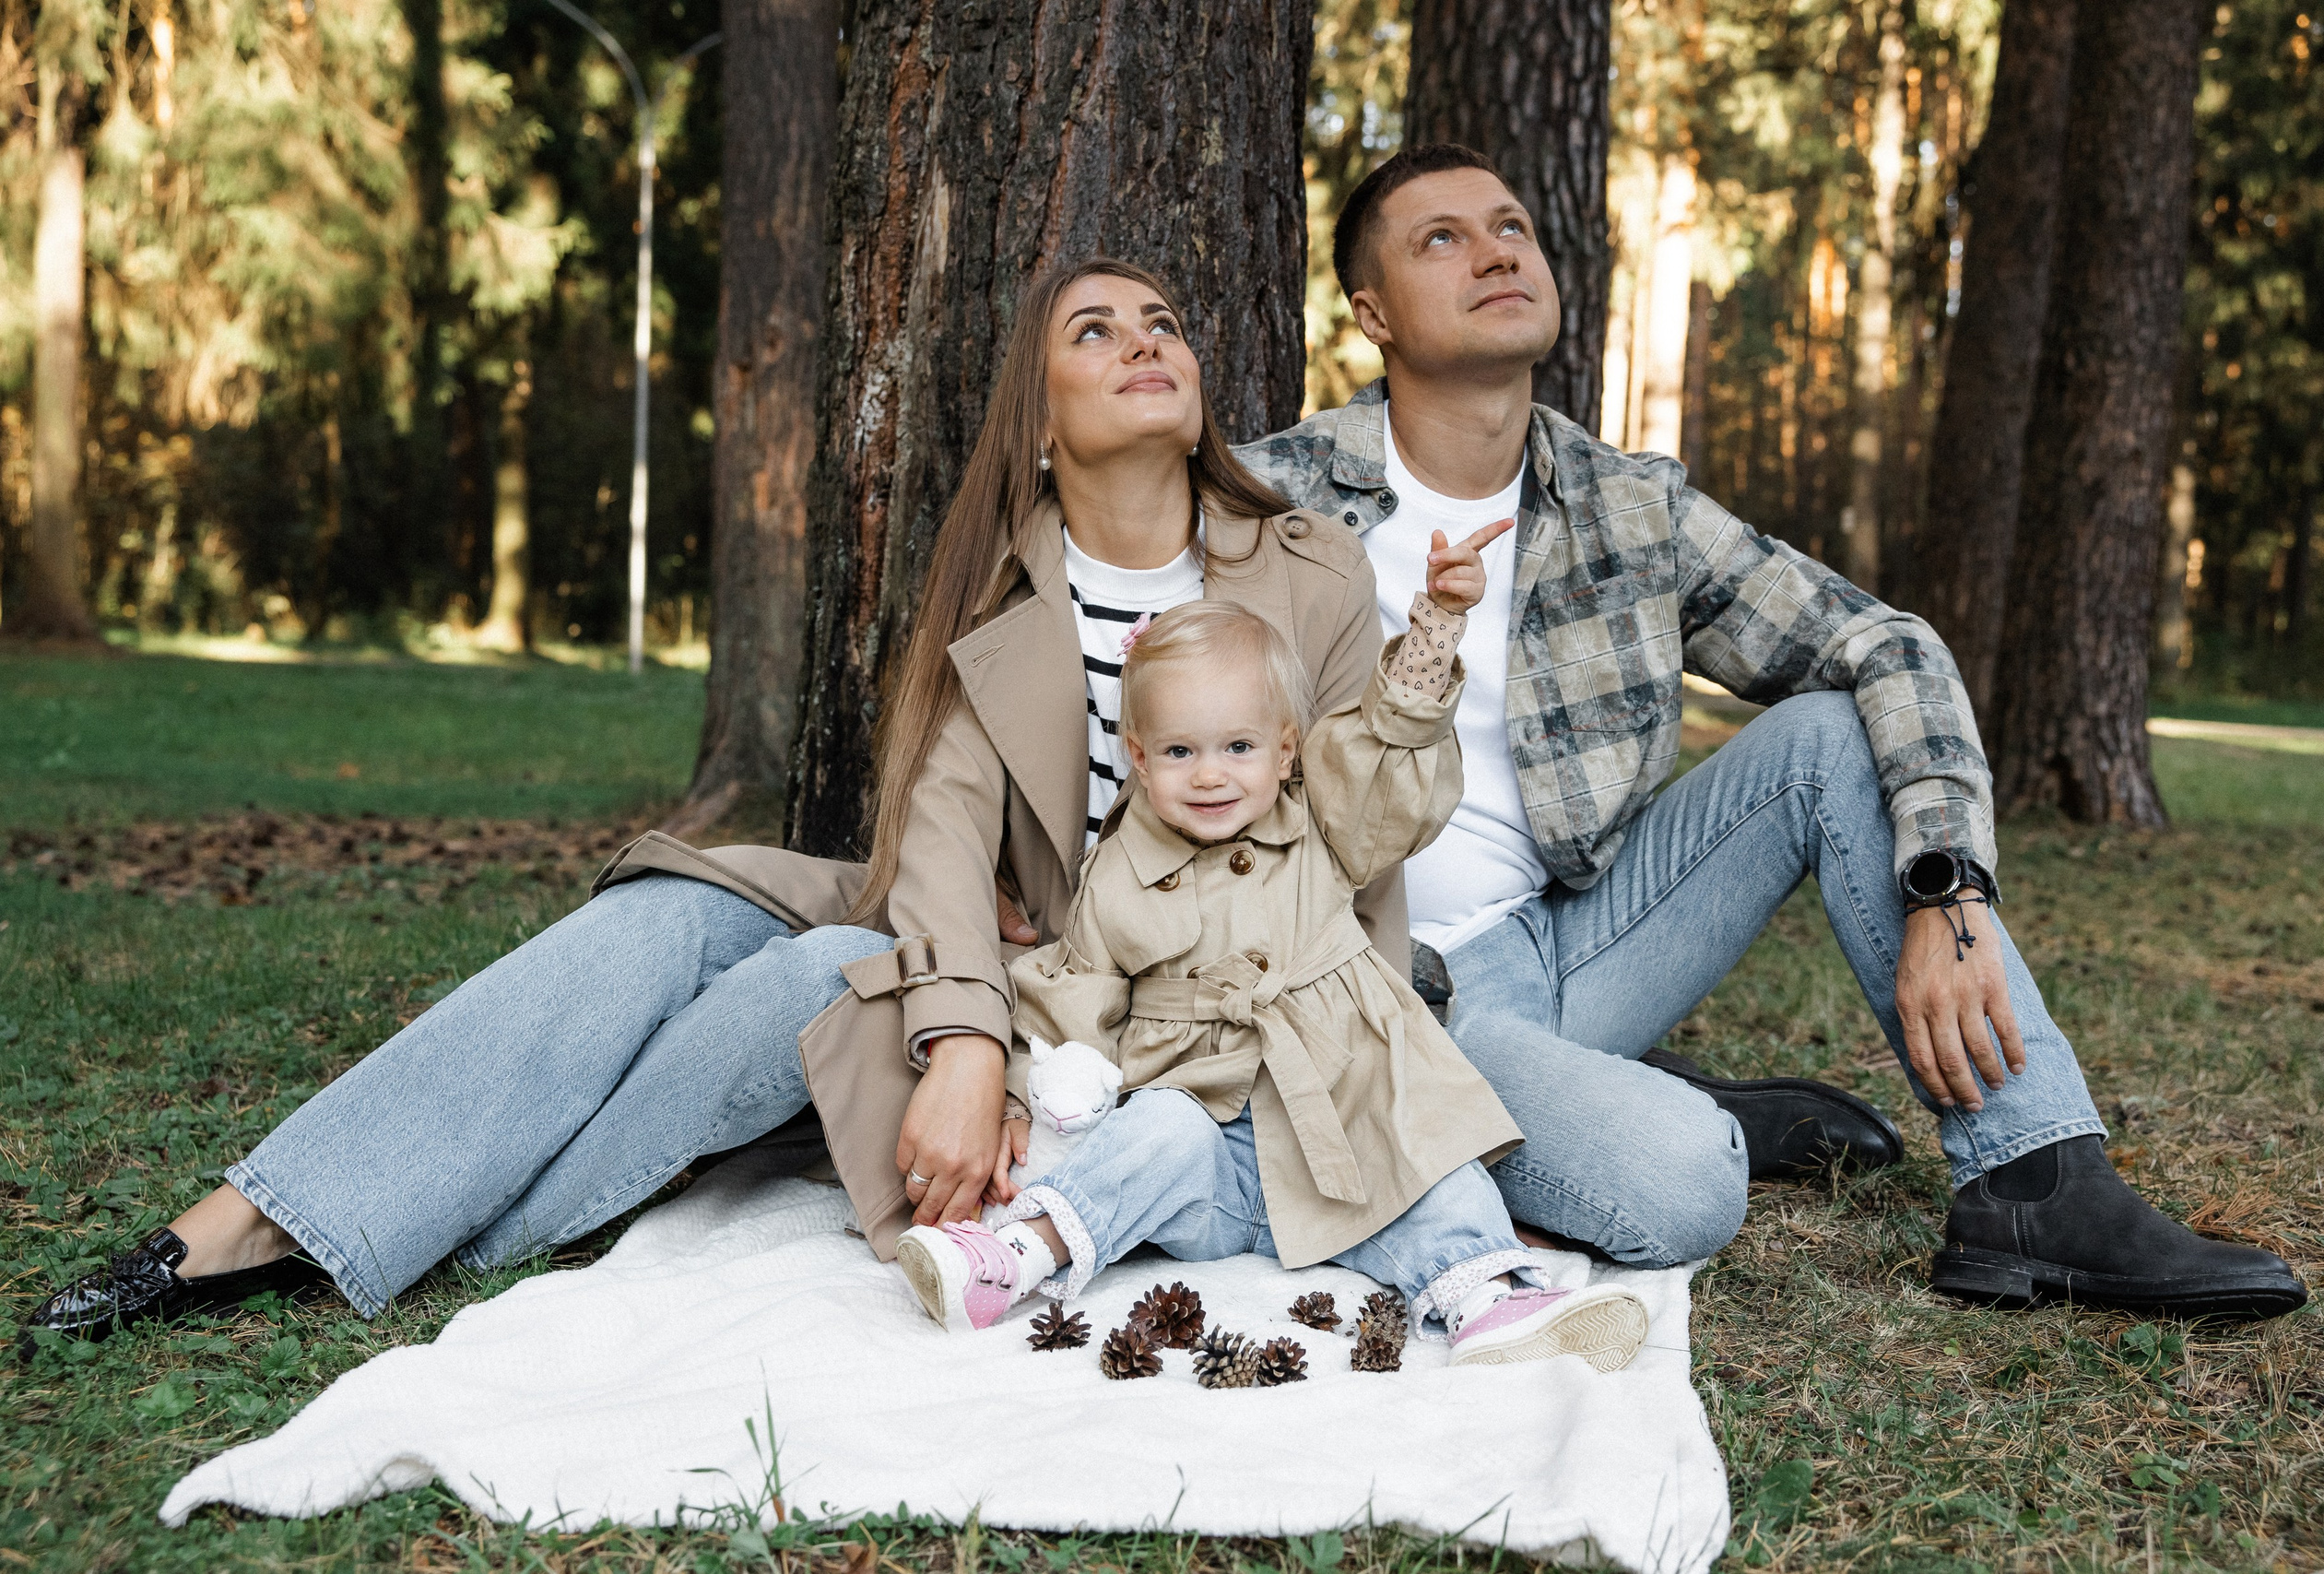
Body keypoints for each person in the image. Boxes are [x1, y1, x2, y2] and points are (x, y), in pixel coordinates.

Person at [20, 256, 1395, 1357]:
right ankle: (260, 1211)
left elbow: (1362, 832)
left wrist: (1008, 1038)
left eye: (1163, 323)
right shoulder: (1003, 586)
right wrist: (963, 1031)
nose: (1148, 341)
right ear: (1039, 422)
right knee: (679, 906)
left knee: (811, 975)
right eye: (1095, 331)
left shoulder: (1310, 574)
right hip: (979, 935)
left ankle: (471, 1226)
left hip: (1142, 1001)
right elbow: (935, 830)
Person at [1232, 143, 2305, 1320]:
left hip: (1567, 943)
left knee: (1832, 737)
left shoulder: (1627, 507)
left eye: (1511, 227)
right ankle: (1631, 1106)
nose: (1494, 250)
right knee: (1684, 1186)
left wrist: (1952, 891)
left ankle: (2032, 1178)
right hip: (1374, 987)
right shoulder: (1266, 497)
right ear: (1370, 309)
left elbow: (1884, 645)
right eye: (1440, 237)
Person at [895, 592, 1649, 1370]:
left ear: (1287, 752)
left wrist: (1429, 644)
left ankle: (1490, 1304)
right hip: (1212, 1163)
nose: (1211, 774)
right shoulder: (1119, 873)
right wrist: (1028, 1095)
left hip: (1339, 1139)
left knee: (1429, 1158)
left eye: (1239, 747)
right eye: (1181, 752)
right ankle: (1013, 1256)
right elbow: (1076, 993)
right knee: (1160, 1130)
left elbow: (1386, 771)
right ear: (1140, 758)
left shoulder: (1322, 826)